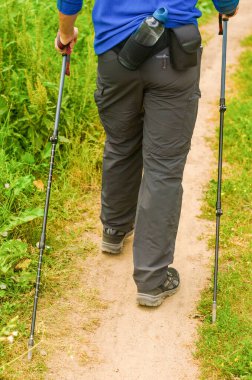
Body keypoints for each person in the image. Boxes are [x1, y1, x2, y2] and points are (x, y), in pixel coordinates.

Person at [55, 1, 239, 307]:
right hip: (175, 55)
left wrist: (65, 33)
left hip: (115, 53)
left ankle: (114, 230)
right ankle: (152, 280)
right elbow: (227, 4)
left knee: (120, 142)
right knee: (164, 167)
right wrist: (228, 9)